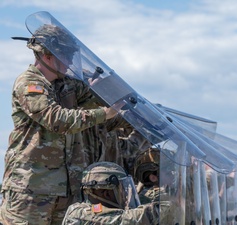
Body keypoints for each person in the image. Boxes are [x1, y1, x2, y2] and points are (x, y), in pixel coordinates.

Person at [0, 24, 122, 225]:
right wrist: (104, 113)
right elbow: (57, 120)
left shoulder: (67, 84)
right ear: (47, 56)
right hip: (31, 189)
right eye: (66, 56)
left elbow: (95, 96)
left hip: (66, 191)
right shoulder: (29, 83)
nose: (71, 63)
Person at [61, 161, 168, 225]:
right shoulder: (79, 213)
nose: (126, 196)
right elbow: (132, 219)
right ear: (105, 193)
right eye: (121, 190)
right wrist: (172, 205)